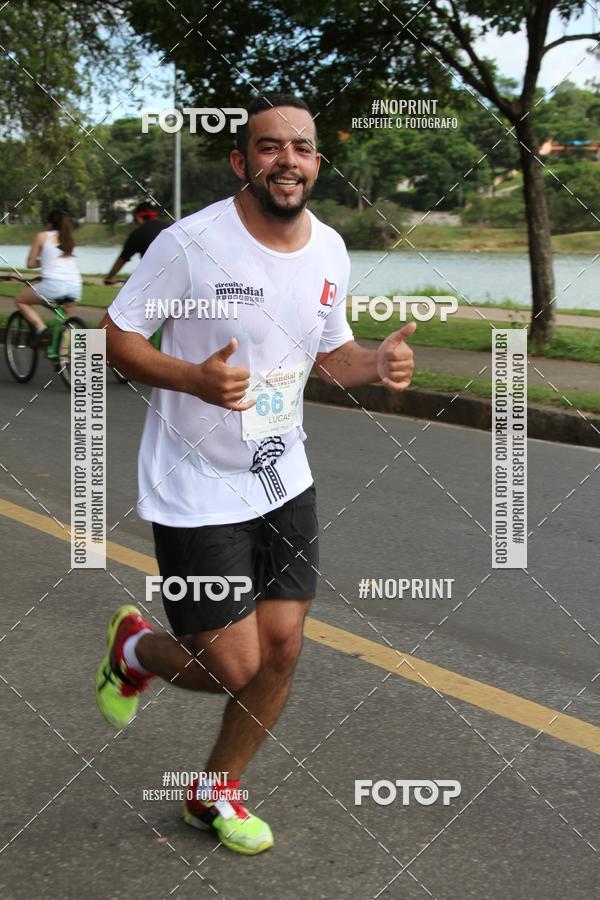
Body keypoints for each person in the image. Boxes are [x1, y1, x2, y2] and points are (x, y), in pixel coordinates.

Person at [96, 93, 416, 856]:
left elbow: (329, 355)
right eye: (269, 147)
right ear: (242, 161)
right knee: (233, 662)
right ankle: (135, 651)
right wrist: (191, 378)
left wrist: (374, 363)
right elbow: (116, 336)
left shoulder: (331, 251)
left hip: (283, 476)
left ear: (316, 162)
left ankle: (216, 791)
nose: (288, 160)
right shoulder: (189, 243)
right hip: (192, 483)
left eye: (301, 148)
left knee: (282, 650)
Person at [16, 208, 82, 346]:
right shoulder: (69, 239)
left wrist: (44, 261)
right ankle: (63, 358)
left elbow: (30, 263)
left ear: (49, 224)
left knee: (20, 300)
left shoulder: (42, 236)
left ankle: (40, 328)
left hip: (53, 286)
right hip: (75, 286)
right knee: (66, 321)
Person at [103, 202, 169, 284]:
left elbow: (122, 260)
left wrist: (109, 277)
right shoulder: (170, 227)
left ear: (138, 218)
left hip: (153, 277)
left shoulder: (138, 233)